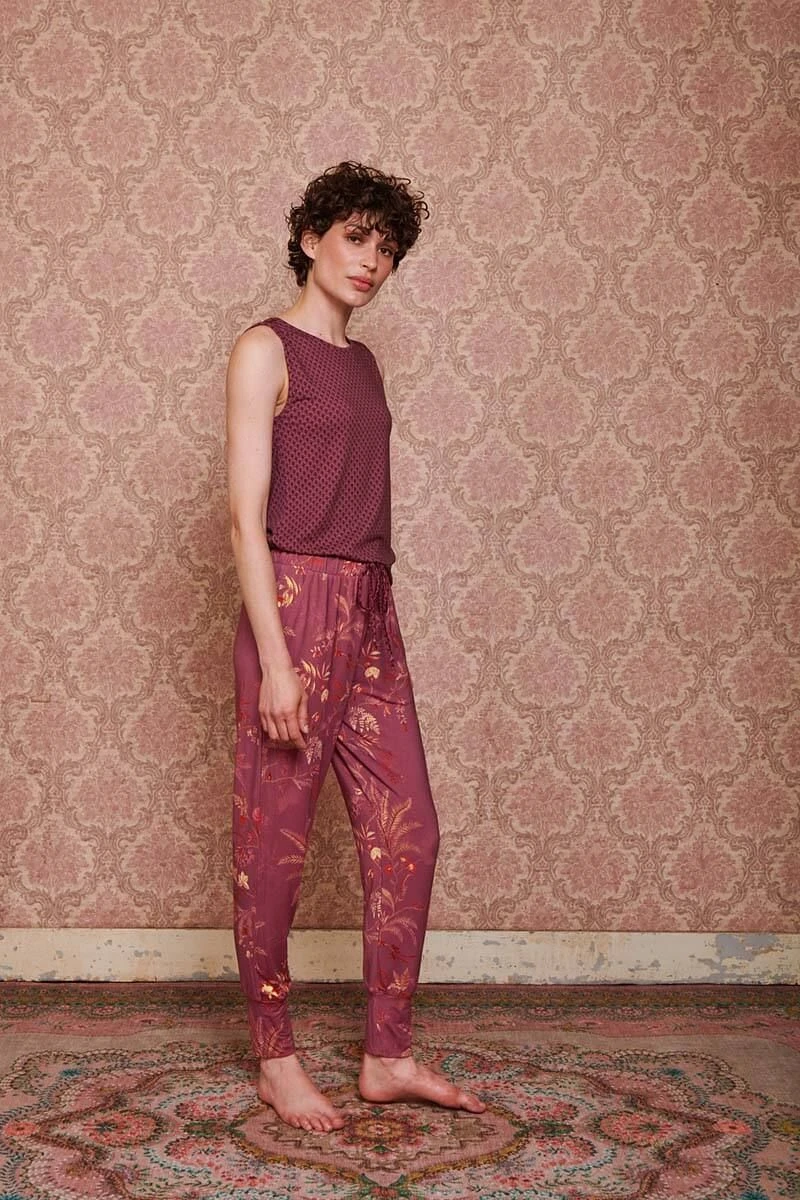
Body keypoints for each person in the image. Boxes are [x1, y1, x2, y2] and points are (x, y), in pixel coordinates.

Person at [226, 161, 485, 1133]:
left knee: (408, 829)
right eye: (355, 238)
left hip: (372, 606)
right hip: (292, 606)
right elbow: (244, 518)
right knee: (275, 847)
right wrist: (276, 659)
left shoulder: (365, 363)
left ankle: (387, 1054)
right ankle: (275, 1059)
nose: (371, 260)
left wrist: (370, 614)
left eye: (387, 248)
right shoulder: (265, 348)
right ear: (310, 239)